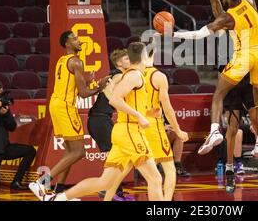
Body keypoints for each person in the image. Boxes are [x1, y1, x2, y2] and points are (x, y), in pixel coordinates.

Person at [43, 42, 164, 201]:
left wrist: (161, 38)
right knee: (155, 178)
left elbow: (150, 59)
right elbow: (114, 100)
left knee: (105, 181)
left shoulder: (135, 73)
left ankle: (59, 198)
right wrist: (140, 116)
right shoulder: (128, 75)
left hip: (120, 130)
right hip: (128, 131)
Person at [173, 0, 258, 160]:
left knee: (218, 95)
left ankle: (214, 130)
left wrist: (172, 35)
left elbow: (199, 34)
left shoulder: (228, 17)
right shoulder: (249, 4)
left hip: (244, 56)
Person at [29, 31, 109, 199]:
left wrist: (89, 81)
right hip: (65, 106)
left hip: (56, 104)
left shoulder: (62, 60)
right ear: (67, 44)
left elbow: (74, 85)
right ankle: (41, 183)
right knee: (79, 152)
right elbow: (83, 93)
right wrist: (100, 87)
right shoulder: (76, 62)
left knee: (70, 150)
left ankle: (58, 191)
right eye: (74, 39)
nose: (78, 40)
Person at [141, 45, 189, 200]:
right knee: (169, 170)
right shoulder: (158, 76)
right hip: (152, 125)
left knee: (150, 174)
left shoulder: (131, 75)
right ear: (153, 54)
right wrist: (178, 130)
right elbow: (168, 109)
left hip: (133, 125)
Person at [87, 48, 134, 201]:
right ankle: (109, 190)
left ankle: (114, 191)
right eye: (127, 59)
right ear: (119, 62)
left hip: (101, 119)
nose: (130, 61)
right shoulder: (118, 75)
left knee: (116, 155)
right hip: (99, 119)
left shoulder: (117, 75)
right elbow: (111, 92)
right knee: (115, 156)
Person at [219, 70, 258, 193]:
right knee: (232, 130)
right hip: (231, 83)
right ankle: (230, 171)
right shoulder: (224, 52)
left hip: (249, 83)